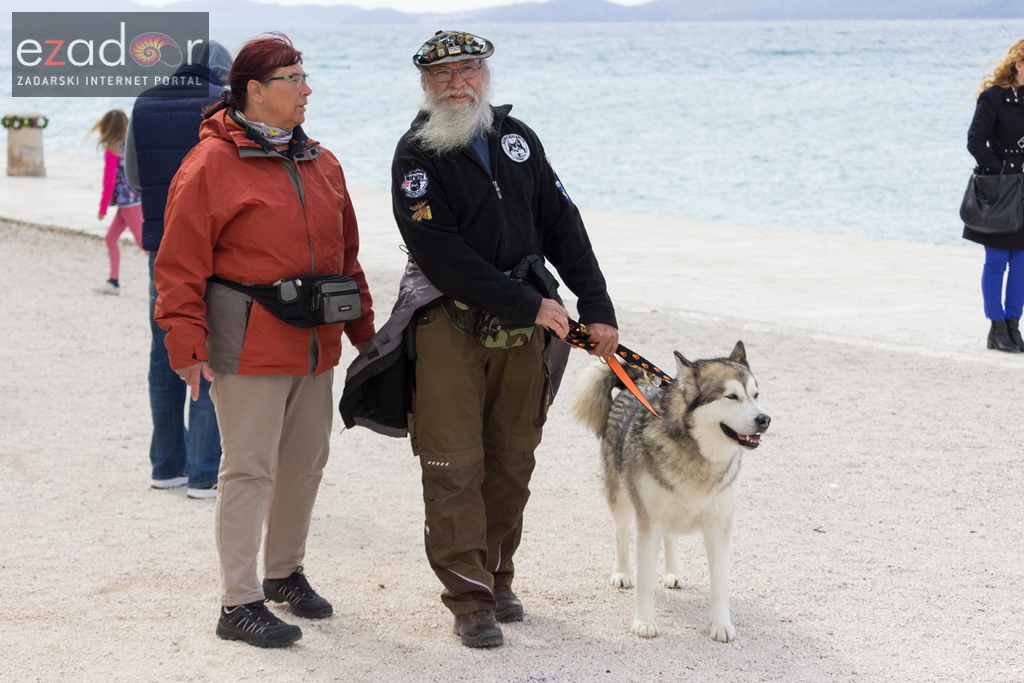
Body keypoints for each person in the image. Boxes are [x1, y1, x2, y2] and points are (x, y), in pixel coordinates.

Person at [388, 30, 618, 648]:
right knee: (454, 464)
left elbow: (562, 221)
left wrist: (595, 307)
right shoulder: (416, 155)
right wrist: (531, 302)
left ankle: (497, 575)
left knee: (513, 459)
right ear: (425, 85)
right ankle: (469, 600)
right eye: (443, 75)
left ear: (485, 76)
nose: (457, 84)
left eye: (468, 71)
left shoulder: (519, 140)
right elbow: (440, 253)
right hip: (449, 326)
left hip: (524, 329)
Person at [154, 33, 375, 648]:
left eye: (306, 77)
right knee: (248, 471)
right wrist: (185, 345)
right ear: (255, 90)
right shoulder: (208, 165)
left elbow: (347, 257)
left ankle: (282, 574)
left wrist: (366, 334)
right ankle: (238, 602)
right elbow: (177, 264)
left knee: (305, 465)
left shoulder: (323, 162)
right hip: (247, 344)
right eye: (294, 78)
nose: (307, 90)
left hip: (315, 345)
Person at [125, 41, 233, 499]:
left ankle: (166, 465)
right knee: (209, 347)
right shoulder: (221, 105)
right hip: (213, 249)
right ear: (223, 73)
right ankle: (204, 471)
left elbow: (132, 176)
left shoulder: (145, 101)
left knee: (164, 349)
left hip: (159, 246)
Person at [965, 39, 1024, 353]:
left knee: (1023, 263)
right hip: (1000, 192)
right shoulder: (993, 98)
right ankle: (996, 327)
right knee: (997, 260)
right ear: (1019, 64)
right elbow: (975, 142)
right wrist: (1001, 169)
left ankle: (1014, 325)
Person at [89, 109, 143, 296]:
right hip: (132, 201)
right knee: (110, 238)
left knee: (144, 243)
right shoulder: (131, 145)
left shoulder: (112, 149)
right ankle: (113, 282)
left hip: (130, 204)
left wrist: (102, 208)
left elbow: (109, 181)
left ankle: (165, 280)